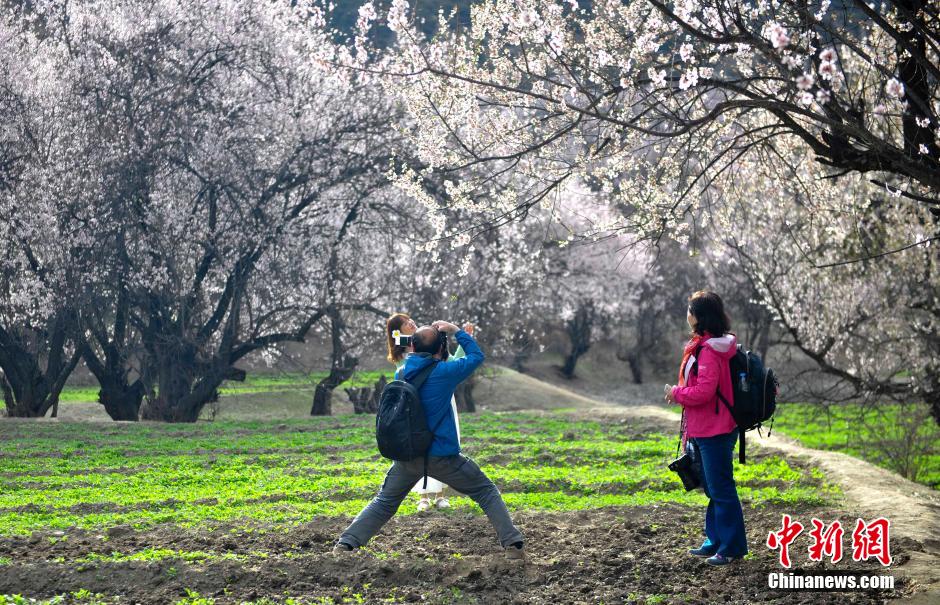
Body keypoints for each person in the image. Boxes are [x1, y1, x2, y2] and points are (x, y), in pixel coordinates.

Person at [334, 321, 525, 559]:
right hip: (442, 456)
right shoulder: (445, 373)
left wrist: (418, 339)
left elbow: (416, 352)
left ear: (412, 346)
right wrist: (456, 331)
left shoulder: (401, 372)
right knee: (485, 491)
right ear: (440, 349)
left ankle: (347, 543)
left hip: (408, 455)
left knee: (384, 502)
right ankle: (513, 545)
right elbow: (476, 356)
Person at [664, 291, 748, 566]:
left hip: (716, 429)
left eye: (690, 309)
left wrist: (676, 393)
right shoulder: (703, 345)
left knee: (721, 489)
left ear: (699, 316)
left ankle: (732, 547)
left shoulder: (710, 350)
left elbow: (704, 392)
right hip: (703, 427)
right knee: (713, 488)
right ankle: (715, 540)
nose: (687, 314)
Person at [385, 313, 468, 511]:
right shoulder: (404, 345)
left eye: (410, 320)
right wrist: (434, 335)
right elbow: (405, 342)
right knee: (418, 444)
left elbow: (452, 363)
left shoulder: (426, 341)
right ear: (397, 330)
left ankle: (440, 495)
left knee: (439, 443)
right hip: (415, 403)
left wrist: (460, 339)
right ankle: (422, 496)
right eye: (405, 323)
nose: (411, 323)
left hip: (440, 399)